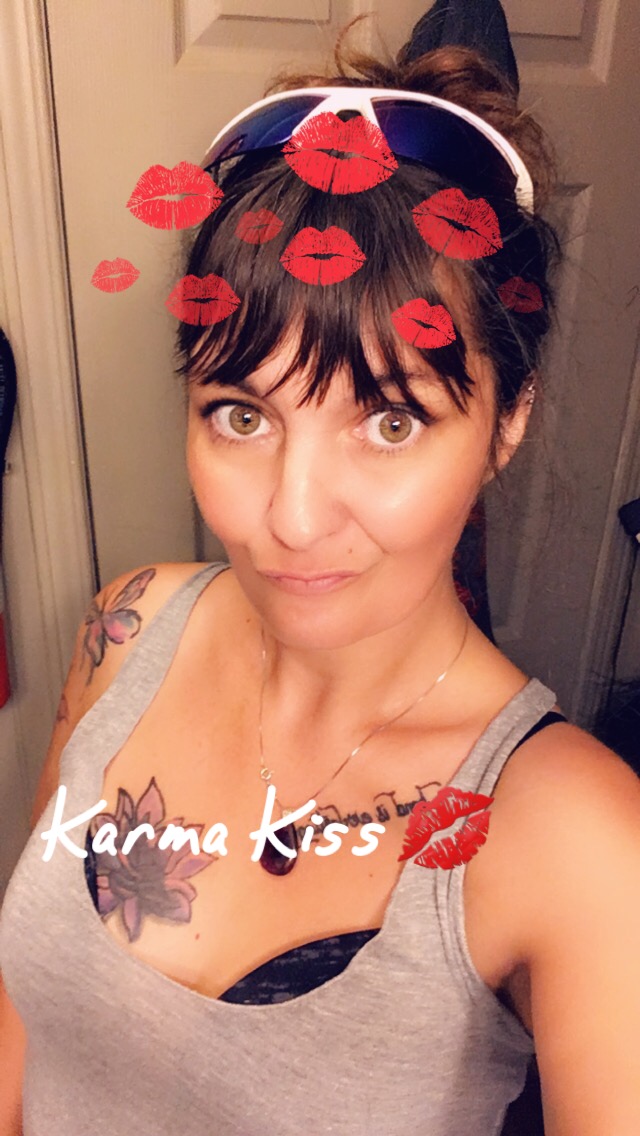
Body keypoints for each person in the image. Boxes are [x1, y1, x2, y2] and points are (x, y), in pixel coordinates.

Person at [1, 6, 640, 1134]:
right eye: (241, 414)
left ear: (507, 420)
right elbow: (22, 1018)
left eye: (390, 421)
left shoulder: (577, 836)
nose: (291, 519)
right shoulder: (126, 628)